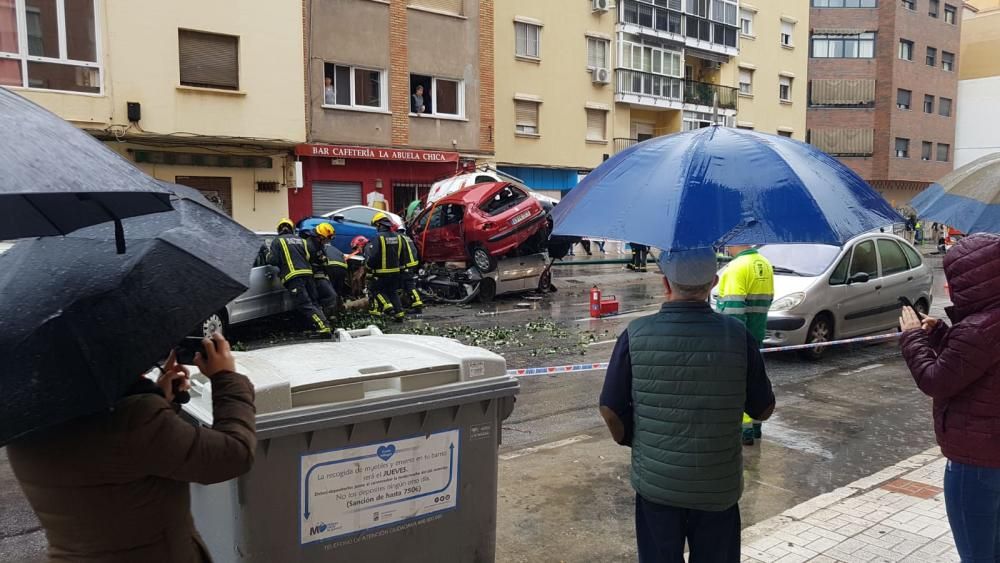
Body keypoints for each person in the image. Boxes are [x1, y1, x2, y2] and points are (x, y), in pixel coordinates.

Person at [8, 333, 256, 562]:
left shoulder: (22, 432)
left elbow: (114, 467)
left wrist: (156, 400)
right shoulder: (132, 421)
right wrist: (226, 378)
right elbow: (233, 454)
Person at [599, 248, 775, 562]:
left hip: (657, 487)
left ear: (665, 283)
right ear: (714, 283)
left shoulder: (635, 334)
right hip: (717, 488)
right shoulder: (739, 337)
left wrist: (634, 440)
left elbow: (610, 409)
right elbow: (763, 409)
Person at [899, 234, 1000, 562]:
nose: (947, 289)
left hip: (977, 464)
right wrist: (942, 333)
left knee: (976, 554)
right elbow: (973, 364)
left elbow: (936, 380)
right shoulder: (986, 325)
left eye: (954, 281)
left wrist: (913, 337)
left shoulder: (978, 329)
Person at [716, 244, 774, 446]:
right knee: (756, 379)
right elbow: (767, 301)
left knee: (738, 384)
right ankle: (756, 426)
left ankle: (745, 431)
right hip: (757, 335)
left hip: (738, 339)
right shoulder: (764, 264)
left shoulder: (736, 267)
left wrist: (732, 341)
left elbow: (733, 309)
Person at [268, 218, 331, 336]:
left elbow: (273, 260)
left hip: (294, 277)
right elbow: (309, 256)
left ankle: (324, 326)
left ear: (279, 230)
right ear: (292, 229)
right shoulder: (301, 240)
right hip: (308, 274)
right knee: (313, 302)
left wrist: (267, 255)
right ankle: (323, 324)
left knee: (304, 304)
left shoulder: (277, 241)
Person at [364, 212, 406, 321]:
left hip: (381, 272)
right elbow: (402, 254)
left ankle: (387, 306)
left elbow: (373, 256)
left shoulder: (378, 238)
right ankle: (399, 314)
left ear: (379, 224)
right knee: (392, 292)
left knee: (375, 290)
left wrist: (368, 267)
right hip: (396, 271)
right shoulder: (398, 237)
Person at [306, 222, 339, 316]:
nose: (328, 242)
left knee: (329, 297)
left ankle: (325, 318)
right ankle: (324, 320)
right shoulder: (310, 246)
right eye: (327, 239)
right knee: (330, 296)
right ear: (320, 237)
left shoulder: (318, 245)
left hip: (319, 277)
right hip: (313, 278)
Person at [398, 230, 425, 314]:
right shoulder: (407, 237)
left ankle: (417, 305)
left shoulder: (399, 238)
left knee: (409, 286)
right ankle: (416, 304)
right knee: (409, 286)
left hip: (406, 266)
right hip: (411, 265)